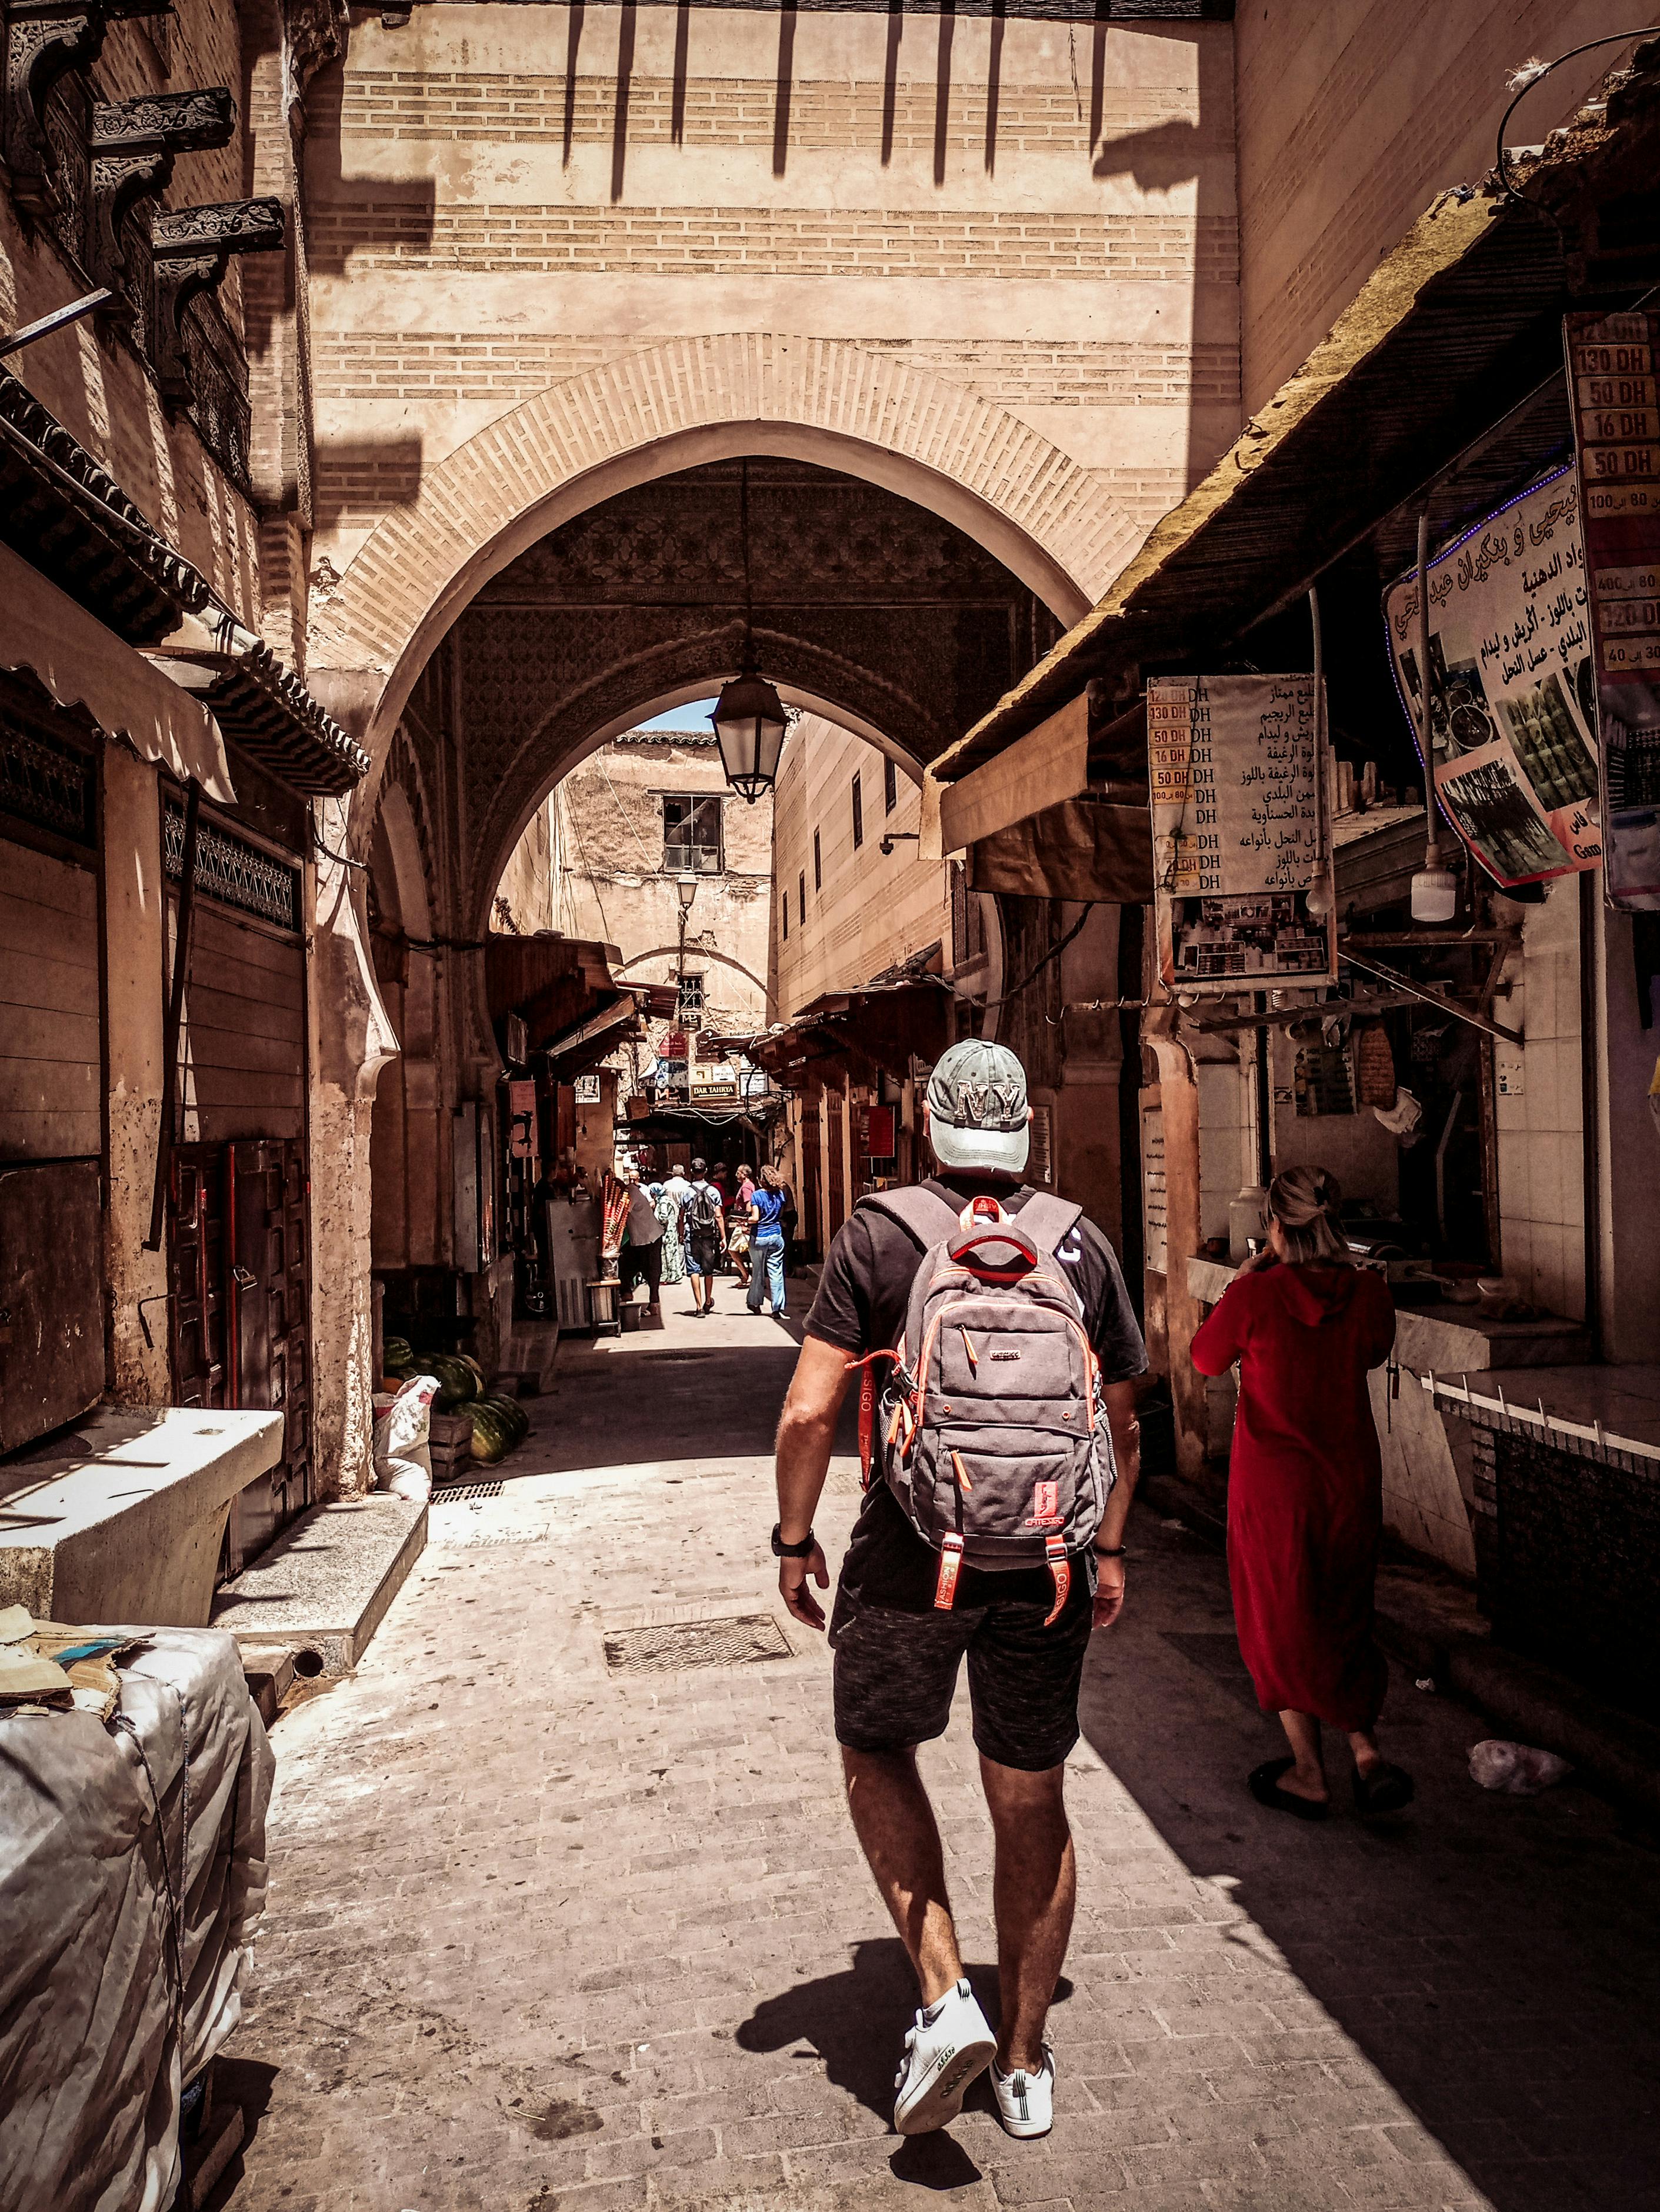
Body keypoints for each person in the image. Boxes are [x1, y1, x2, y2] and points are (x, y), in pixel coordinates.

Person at [771, 1040, 1145, 2141]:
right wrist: (1108, 1549)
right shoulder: (1078, 1240)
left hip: (904, 1555)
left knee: (877, 1748)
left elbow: (805, 1413)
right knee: (1031, 1794)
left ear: (929, 1124)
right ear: (1022, 1129)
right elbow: (1121, 1421)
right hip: (1052, 1562)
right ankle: (1024, 2063)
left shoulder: (880, 1234)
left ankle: (943, 1998)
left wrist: (793, 1539)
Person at [1190, 1165, 1409, 1821]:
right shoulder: (1368, 1293)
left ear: (1275, 1226)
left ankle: (1308, 1771)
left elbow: (1204, 1357)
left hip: (1273, 1489)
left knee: (1277, 1617)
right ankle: (1366, 1752)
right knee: (1342, 1607)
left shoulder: (1257, 1297)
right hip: (1347, 1479)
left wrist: (1245, 1278)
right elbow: (1371, 1351)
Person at [744, 1165, 790, 1319]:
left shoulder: (757, 1196)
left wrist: (744, 1221)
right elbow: (780, 1214)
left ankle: (755, 1303)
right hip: (776, 1236)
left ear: (761, 1180)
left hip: (760, 1237)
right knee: (776, 1272)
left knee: (758, 1272)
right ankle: (777, 1308)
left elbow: (755, 1218)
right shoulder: (780, 1194)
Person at [618, 1167, 664, 1318]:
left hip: (649, 1238)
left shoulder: (631, 1194)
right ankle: (626, 1292)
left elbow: (622, 1214)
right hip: (641, 1238)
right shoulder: (632, 1191)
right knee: (625, 1263)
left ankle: (653, 1303)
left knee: (651, 1270)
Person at [682, 1158, 725, 1316]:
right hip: (708, 1234)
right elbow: (719, 1216)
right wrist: (723, 1237)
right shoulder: (714, 1191)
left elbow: (682, 1216)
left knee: (694, 1269)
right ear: (706, 1171)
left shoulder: (687, 1191)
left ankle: (699, 1306)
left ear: (692, 1172)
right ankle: (708, 1301)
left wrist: (681, 1233)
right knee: (708, 1270)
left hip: (691, 1234)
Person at [650, 1181, 686, 1286]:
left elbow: (664, 1217)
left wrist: (654, 1219)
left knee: (667, 1255)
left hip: (667, 1232)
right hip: (668, 1231)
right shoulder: (663, 1200)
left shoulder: (663, 1202)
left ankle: (668, 1277)